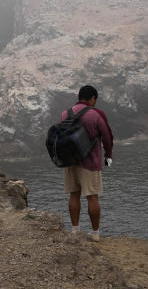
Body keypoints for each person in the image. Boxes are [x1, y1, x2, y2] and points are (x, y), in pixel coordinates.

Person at [60, 84, 114, 242]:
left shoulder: (65, 113)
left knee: (74, 195)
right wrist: (108, 155)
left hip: (70, 161)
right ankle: (95, 233)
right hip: (90, 162)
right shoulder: (96, 114)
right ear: (92, 98)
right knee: (92, 197)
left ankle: (75, 230)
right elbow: (107, 137)